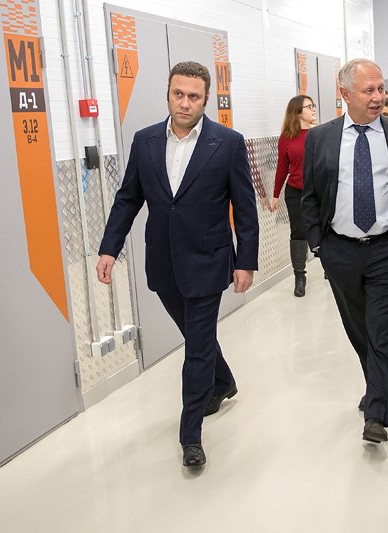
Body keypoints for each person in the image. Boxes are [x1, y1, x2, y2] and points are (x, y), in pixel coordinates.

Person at [96, 61, 259, 468]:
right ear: (168, 94)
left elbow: (244, 206)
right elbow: (128, 198)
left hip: (208, 260)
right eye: (178, 94)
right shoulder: (145, 140)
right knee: (196, 335)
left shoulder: (228, 143)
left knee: (196, 348)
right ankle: (224, 381)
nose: (185, 103)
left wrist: (246, 260)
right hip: (164, 262)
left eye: (194, 96)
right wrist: (109, 249)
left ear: (206, 99)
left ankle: (191, 436)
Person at [302, 59, 388, 444]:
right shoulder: (320, 138)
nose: (377, 97)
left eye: (381, 89)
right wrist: (318, 245)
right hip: (340, 250)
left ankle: (376, 412)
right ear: (345, 94)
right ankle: (380, 381)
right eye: (368, 90)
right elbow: (310, 196)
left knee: (380, 328)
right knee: (358, 329)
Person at [269, 95, 317, 297]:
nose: (313, 109)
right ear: (298, 112)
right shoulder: (286, 137)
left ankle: (330, 268)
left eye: (313, 105)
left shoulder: (319, 134)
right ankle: (299, 276)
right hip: (295, 191)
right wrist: (275, 195)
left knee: (323, 229)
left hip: (318, 191)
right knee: (298, 232)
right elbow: (282, 167)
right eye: (309, 106)